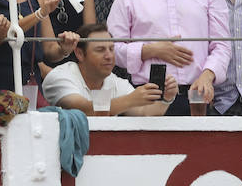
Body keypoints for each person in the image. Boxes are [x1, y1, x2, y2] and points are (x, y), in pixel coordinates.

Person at [42, 23, 176, 116]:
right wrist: (131, 100)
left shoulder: (116, 82)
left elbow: (144, 113)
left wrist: (166, 99)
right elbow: (83, 109)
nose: (109, 56)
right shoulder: (60, 76)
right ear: (79, 54)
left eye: (111, 49)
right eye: (100, 50)